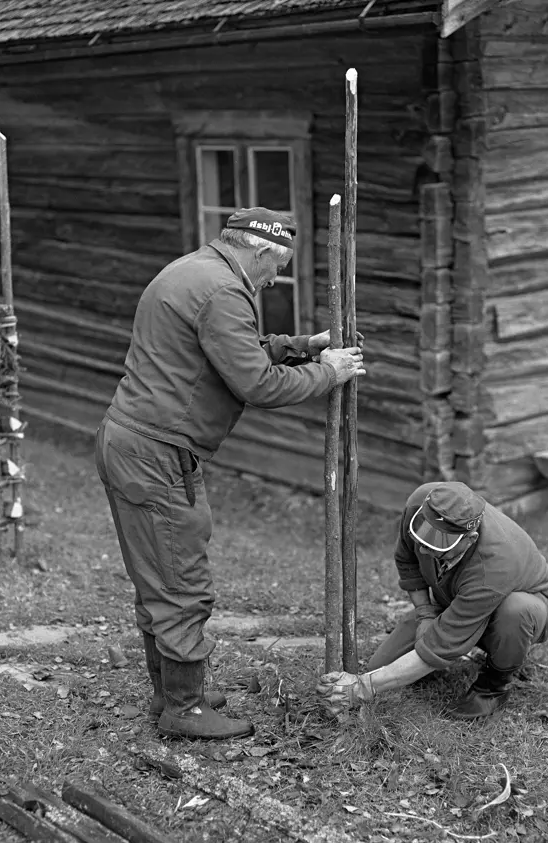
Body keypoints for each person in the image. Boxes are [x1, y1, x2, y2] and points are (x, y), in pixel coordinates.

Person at [96, 206, 365, 742]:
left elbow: (227, 354)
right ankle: (184, 708)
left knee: (161, 576)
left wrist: (301, 347)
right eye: (276, 268)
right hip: (155, 453)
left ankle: (171, 691)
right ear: (261, 252)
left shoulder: (197, 270)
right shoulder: (223, 291)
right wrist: (327, 372)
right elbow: (256, 383)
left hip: (141, 443)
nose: (274, 280)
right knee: (179, 583)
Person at [317, 481, 548, 720]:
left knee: (515, 611)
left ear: (470, 539)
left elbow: (440, 644)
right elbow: (407, 560)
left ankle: (493, 687)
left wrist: (360, 688)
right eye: (423, 537)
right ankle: (433, 653)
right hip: (455, 599)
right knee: (379, 665)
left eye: (438, 545)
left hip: (526, 609)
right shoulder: (423, 500)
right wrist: (425, 614)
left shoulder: (495, 566)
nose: (423, 550)